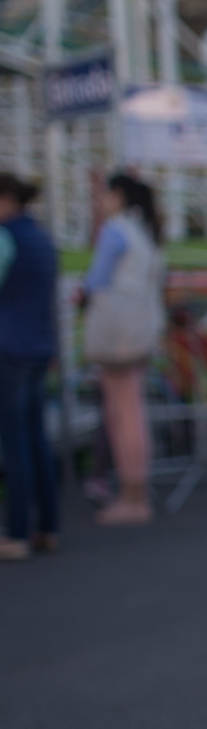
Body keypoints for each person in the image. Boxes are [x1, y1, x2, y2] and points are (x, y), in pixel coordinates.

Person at [81, 172, 166, 526]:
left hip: (117, 335)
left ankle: (133, 495)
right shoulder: (145, 232)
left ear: (117, 195)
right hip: (140, 331)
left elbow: (95, 280)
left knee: (123, 415)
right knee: (131, 412)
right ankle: (135, 491)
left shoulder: (116, 231)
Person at [0, 171, 60, 561]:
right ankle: (48, 528)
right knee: (37, 438)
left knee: (15, 442)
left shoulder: (6, 237)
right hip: (39, 346)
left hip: (10, 346)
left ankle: (17, 532)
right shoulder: (40, 236)